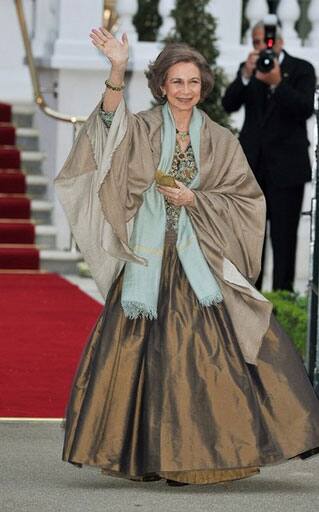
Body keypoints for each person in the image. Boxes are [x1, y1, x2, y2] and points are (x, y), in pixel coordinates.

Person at [55, 28, 319, 486]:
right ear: (161, 86)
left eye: (193, 82)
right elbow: (105, 131)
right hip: (148, 264)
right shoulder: (142, 127)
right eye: (176, 82)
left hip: (204, 264)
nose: (185, 90)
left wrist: (197, 201)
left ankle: (205, 453)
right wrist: (117, 69)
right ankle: (145, 454)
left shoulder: (219, 139)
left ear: (203, 87)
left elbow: (247, 199)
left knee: (221, 355)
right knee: (141, 357)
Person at [222, 21, 316, 291]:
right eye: (256, 42)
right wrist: (245, 76)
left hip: (288, 171)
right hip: (251, 170)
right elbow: (228, 104)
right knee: (251, 240)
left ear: (280, 43)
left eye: (266, 42)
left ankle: (282, 304)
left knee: (284, 240)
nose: (261, 47)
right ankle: (250, 302)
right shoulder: (250, 70)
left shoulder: (302, 69)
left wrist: (277, 84)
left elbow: (305, 109)